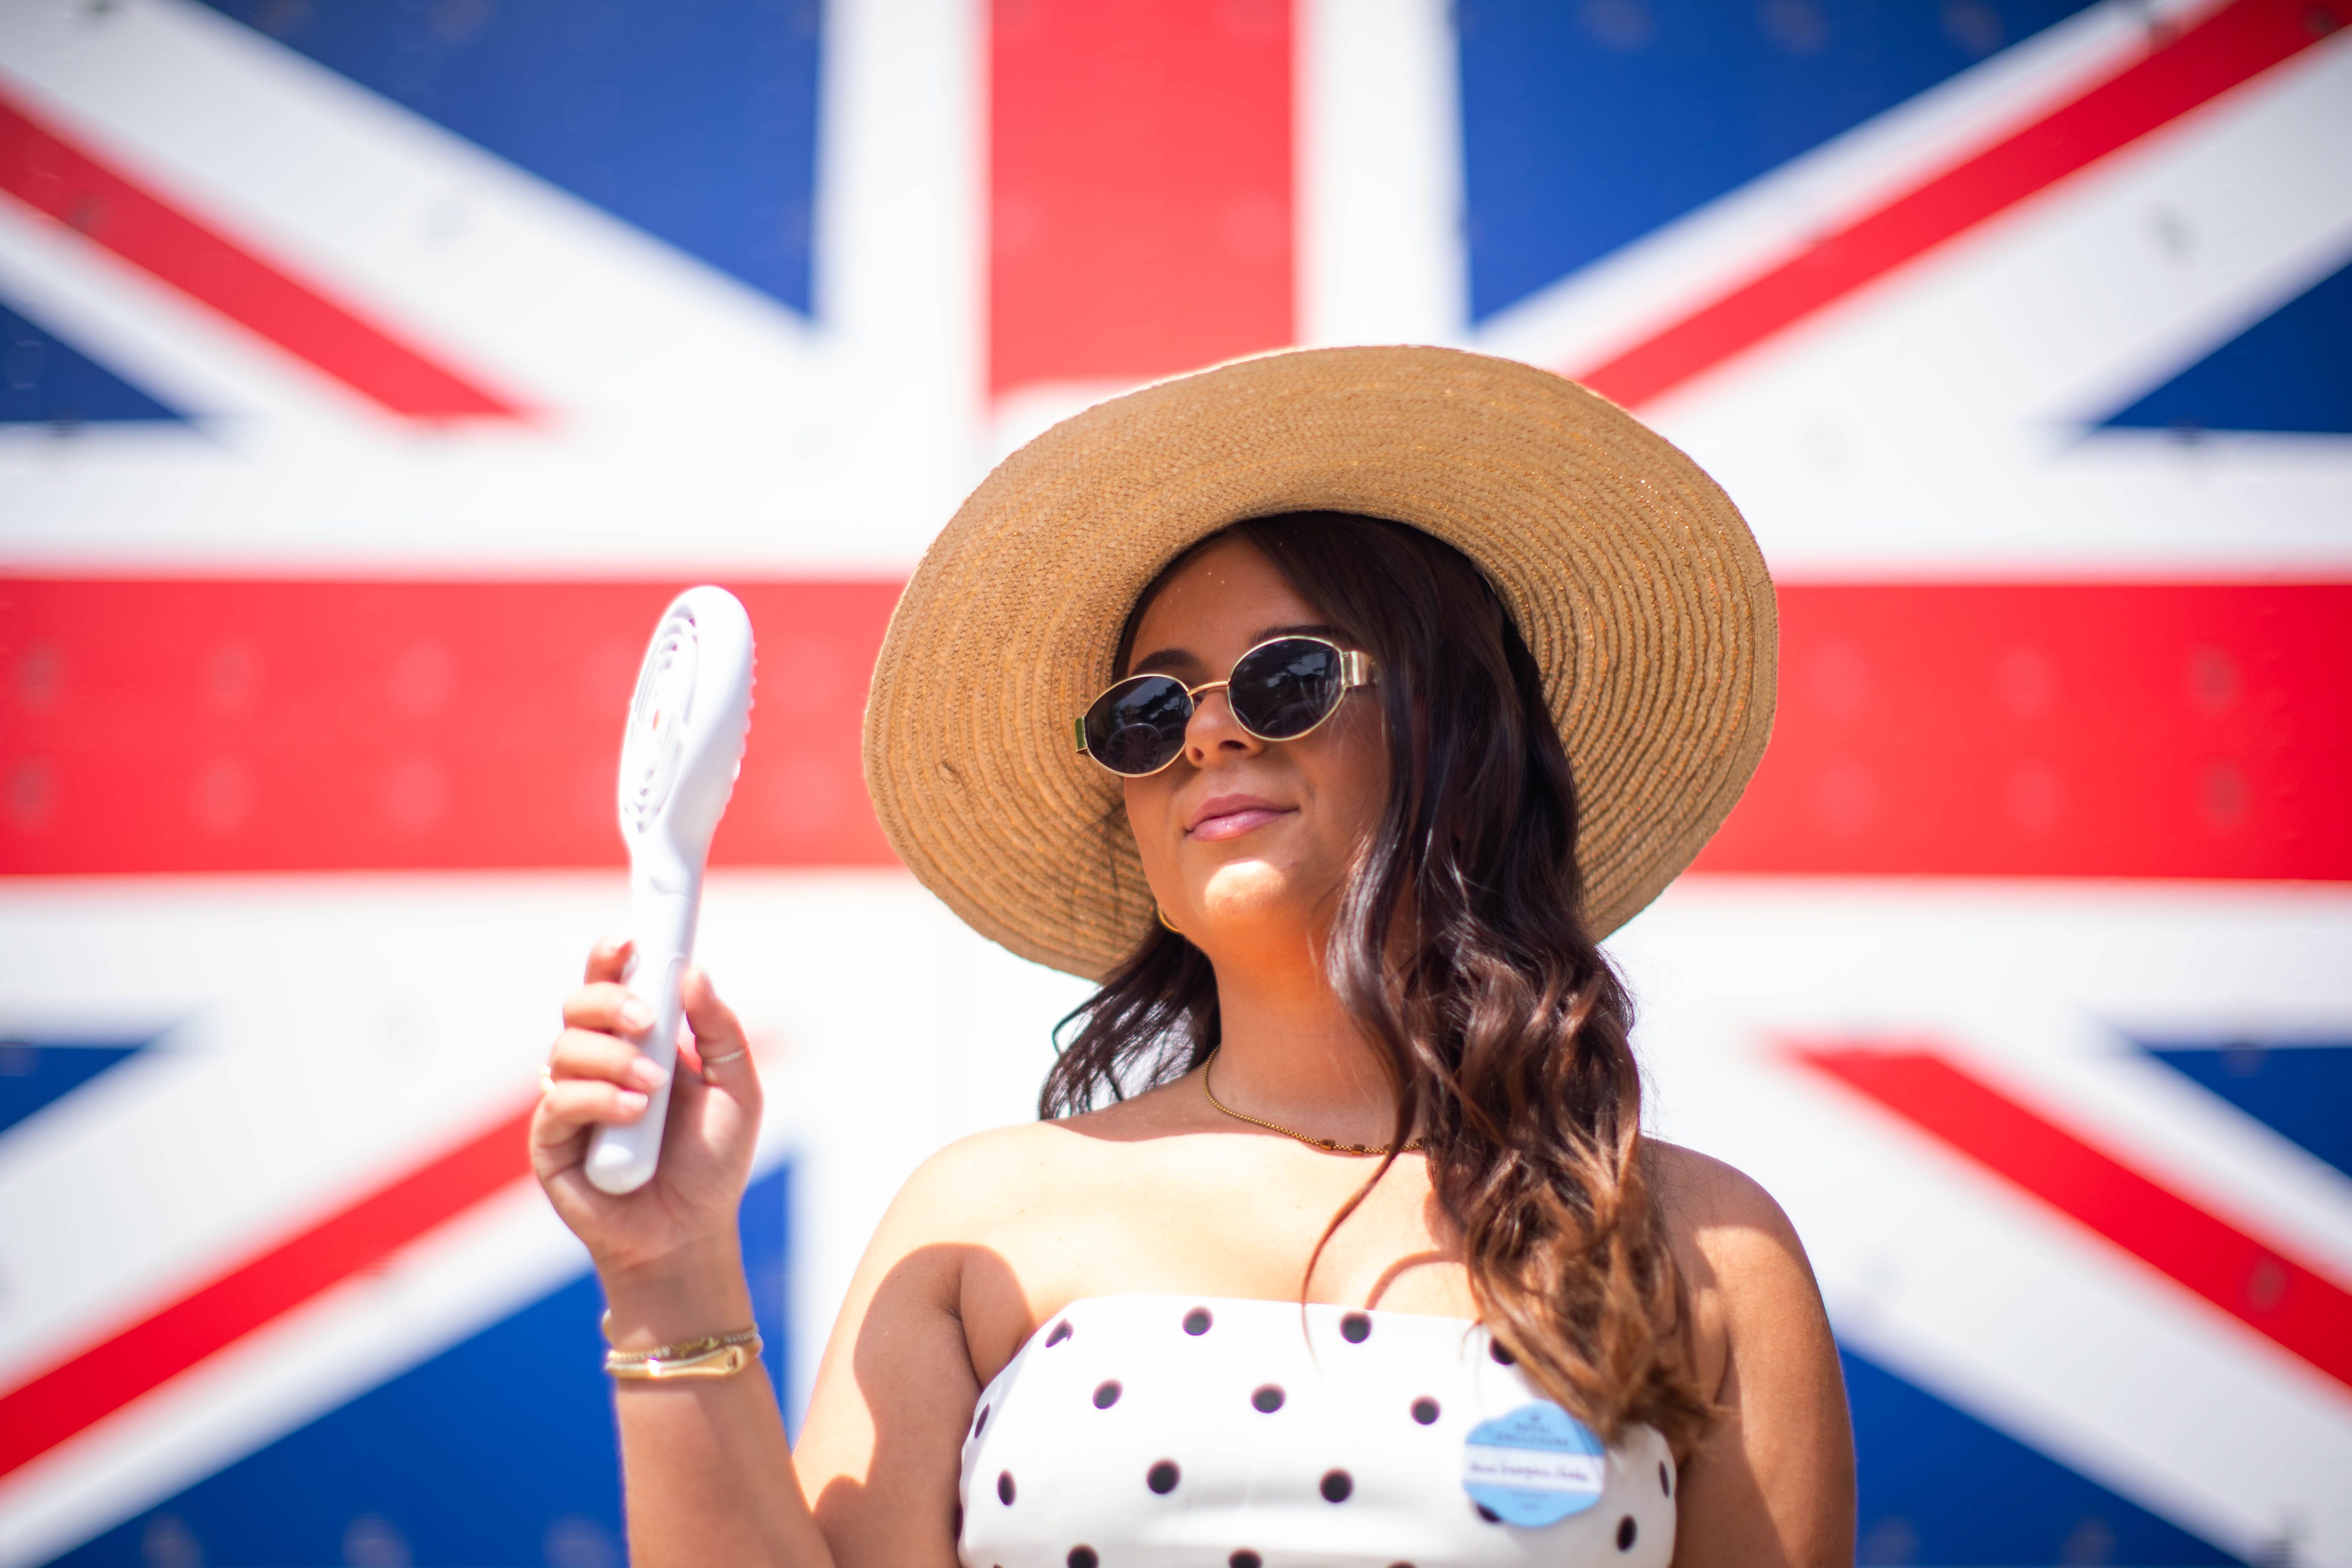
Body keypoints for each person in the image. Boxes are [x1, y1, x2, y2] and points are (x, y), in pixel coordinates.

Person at [534, 347, 1854, 1568]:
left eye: (1285, 681)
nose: (1209, 738)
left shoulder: (1709, 1254)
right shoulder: (980, 1223)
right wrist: (668, 1273)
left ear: (1463, 741)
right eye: (1150, 711)